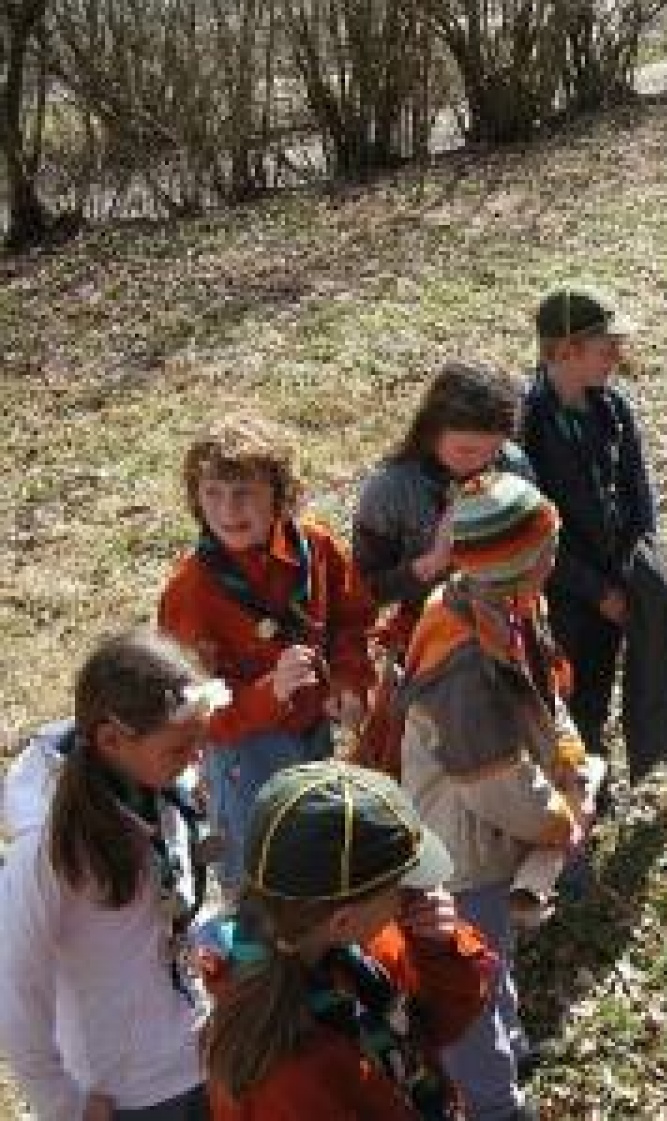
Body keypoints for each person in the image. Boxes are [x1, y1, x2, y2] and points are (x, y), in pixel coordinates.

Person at [399, 473, 599, 1120]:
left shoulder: (508, 604)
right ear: (517, 561)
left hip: (493, 831)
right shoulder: (462, 662)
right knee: (471, 984)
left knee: (495, 954)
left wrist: (569, 760)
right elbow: (495, 783)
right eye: (547, 545)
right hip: (463, 848)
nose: (556, 553)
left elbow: (544, 695)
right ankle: (492, 1103)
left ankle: (511, 1049)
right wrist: (561, 822)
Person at [0, 629, 223, 1121]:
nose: (197, 760)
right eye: (179, 749)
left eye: (200, 743)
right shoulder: (49, 854)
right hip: (127, 1092)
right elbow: (14, 989)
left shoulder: (163, 787)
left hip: (199, 1056)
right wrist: (65, 1105)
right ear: (111, 741)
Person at [198, 760, 494, 1120]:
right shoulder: (288, 1079)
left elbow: (432, 1029)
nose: (418, 893)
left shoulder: (360, 945)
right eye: (402, 886)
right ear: (342, 920)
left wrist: (438, 949)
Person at [158, 412, 376, 890]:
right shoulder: (192, 591)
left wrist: (347, 681)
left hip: (312, 731)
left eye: (244, 493)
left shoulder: (314, 548)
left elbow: (352, 619)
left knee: (311, 853)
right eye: (212, 493)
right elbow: (194, 708)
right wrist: (270, 691)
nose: (227, 509)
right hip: (244, 751)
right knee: (254, 871)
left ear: (280, 494)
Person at [520, 285, 667, 800]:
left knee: (665, 660)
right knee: (584, 690)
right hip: (568, 589)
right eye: (606, 348)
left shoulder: (614, 409)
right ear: (566, 351)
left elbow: (637, 492)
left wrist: (641, 562)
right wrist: (595, 591)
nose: (617, 358)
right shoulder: (528, 424)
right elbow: (532, 528)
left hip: (624, 564)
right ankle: (589, 784)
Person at [353, 360, 534, 658]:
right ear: (432, 431)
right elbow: (363, 592)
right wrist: (434, 561)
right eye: (465, 450)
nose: (478, 463)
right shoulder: (390, 490)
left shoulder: (513, 464)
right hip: (429, 641)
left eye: (492, 451)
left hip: (508, 632)